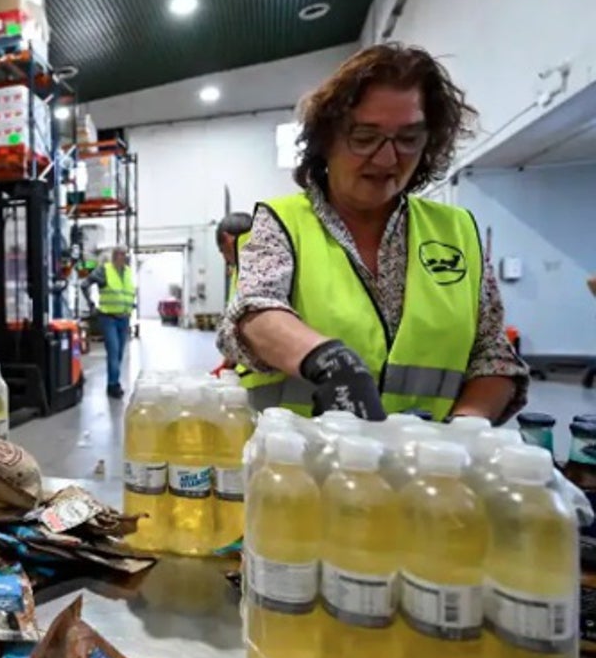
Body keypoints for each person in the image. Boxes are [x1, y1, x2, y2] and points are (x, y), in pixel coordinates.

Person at [218, 43, 528, 422]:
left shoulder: (456, 232)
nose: (386, 159)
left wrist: (462, 435)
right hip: (301, 465)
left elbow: (493, 357)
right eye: (364, 137)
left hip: (427, 470)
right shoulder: (283, 222)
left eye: (408, 139)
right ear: (326, 138)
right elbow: (254, 312)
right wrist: (330, 361)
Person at [82, 244, 134, 398]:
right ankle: (113, 385)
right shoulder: (104, 270)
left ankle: (114, 380)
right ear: (116, 255)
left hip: (124, 318)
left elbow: (127, 293)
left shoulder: (128, 272)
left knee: (118, 353)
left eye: (126, 255)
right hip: (108, 318)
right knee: (113, 351)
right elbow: (84, 284)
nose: (126, 257)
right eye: (123, 254)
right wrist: (91, 304)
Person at [212, 212, 253, 376]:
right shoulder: (242, 267)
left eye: (222, 251)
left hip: (256, 371)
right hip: (246, 365)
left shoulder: (252, 269)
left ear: (228, 239)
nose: (225, 258)